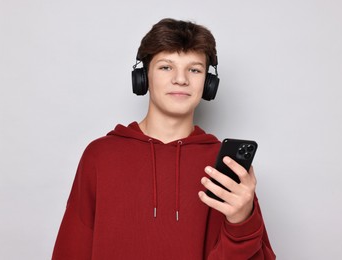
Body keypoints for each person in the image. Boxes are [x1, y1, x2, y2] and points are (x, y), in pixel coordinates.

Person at [52, 18, 276, 259]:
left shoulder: (224, 165)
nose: (181, 79)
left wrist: (242, 221)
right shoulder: (100, 155)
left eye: (195, 69)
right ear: (143, 76)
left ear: (209, 84)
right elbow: (71, 249)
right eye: (166, 67)